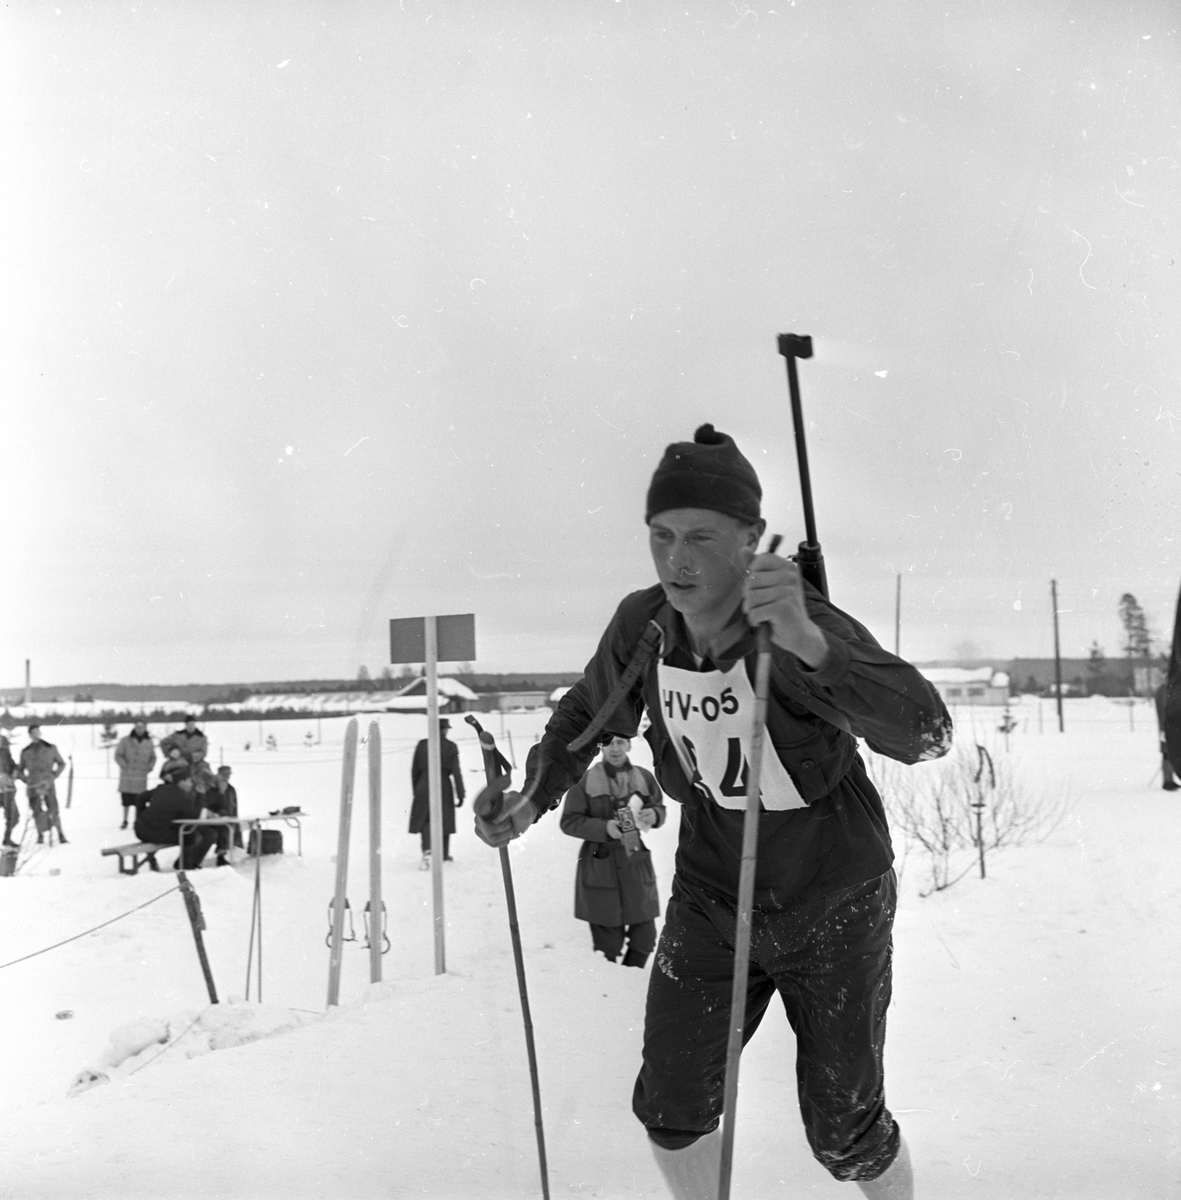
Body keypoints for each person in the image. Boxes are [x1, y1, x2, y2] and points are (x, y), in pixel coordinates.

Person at [475, 425, 953, 1200]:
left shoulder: (799, 626)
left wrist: (809, 644)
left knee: (843, 1131)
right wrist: (529, 799)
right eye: (660, 537)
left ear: (750, 540)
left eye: (700, 536)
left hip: (832, 900)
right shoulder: (646, 625)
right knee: (670, 1105)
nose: (677, 560)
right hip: (712, 898)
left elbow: (925, 734)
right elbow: (587, 718)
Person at [560, 734, 666, 968]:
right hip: (601, 863)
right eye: (609, 743)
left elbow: (658, 806)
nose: (615, 749)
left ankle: (629, 976)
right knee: (607, 945)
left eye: (620, 742)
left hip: (635, 860)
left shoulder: (644, 777)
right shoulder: (585, 781)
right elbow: (568, 822)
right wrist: (604, 827)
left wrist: (655, 814)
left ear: (628, 745)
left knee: (645, 937)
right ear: (601, 747)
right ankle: (608, 986)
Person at [409, 718, 465, 868]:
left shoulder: (422, 745)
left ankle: (428, 851)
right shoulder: (451, 747)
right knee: (444, 818)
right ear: (445, 730)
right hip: (443, 784)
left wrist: (417, 790)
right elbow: (456, 772)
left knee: (425, 819)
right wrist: (460, 793)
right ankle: (443, 854)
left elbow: (414, 770)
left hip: (423, 783)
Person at [134, 769, 217, 870]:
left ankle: (185, 864)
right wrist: (201, 795)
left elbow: (140, 798)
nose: (191, 784)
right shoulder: (180, 797)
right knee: (190, 836)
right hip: (155, 832)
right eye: (189, 781)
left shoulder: (162, 788)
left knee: (191, 833)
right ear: (181, 782)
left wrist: (141, 816)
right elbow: (194, 814)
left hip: (141, 829)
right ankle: (186, 867)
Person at [18, 724, 68, 845]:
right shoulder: (26, 751)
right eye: (33, 733)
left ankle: (60, 834)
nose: (35, 735)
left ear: (40, 733)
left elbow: (61, 763)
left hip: (48, 784)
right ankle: (40, 835)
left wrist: (53, 776)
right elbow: (20, 769)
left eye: (37, 732)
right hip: (33, 786)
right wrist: (26, 780)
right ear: (29, 735)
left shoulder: (50, 748)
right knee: (37, 811)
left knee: (53, 810)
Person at [114, 721, 156, 829]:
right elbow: (118, 755)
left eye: (141, 727)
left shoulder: (149, 741)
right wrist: (125, 766)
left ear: (145, 728)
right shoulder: (125, 740)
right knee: (126, 800)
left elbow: (153, 757)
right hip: (128, 775)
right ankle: (125, 820)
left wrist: (149, 767)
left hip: (141, 774)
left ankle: (137, 821)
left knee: (140, 799)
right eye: (137, 727)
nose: (139, 729)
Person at [206, 764, 241, 862]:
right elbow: (212, 804)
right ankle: (221, 855)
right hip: (214, 819)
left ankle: (224, 853)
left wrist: (234, 818)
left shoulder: (231, 789)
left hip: (228, 819)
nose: (227, 777)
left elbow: (233, 805)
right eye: (224, 774)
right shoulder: (212, 788)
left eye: (228, 774)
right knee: (222, 829)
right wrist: (221, 793)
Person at [1152, 683, 1178, 791]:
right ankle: (1167, 780)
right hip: (1167, 727)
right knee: (1167, 752)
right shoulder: (1165, 691)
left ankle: (1169, 779)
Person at [0, 734, 19, 847]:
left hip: (8, 790)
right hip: (3, 789)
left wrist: (14, 773)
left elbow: (13, 765)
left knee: (14, 816)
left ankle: (7, 840)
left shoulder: (5, 751)